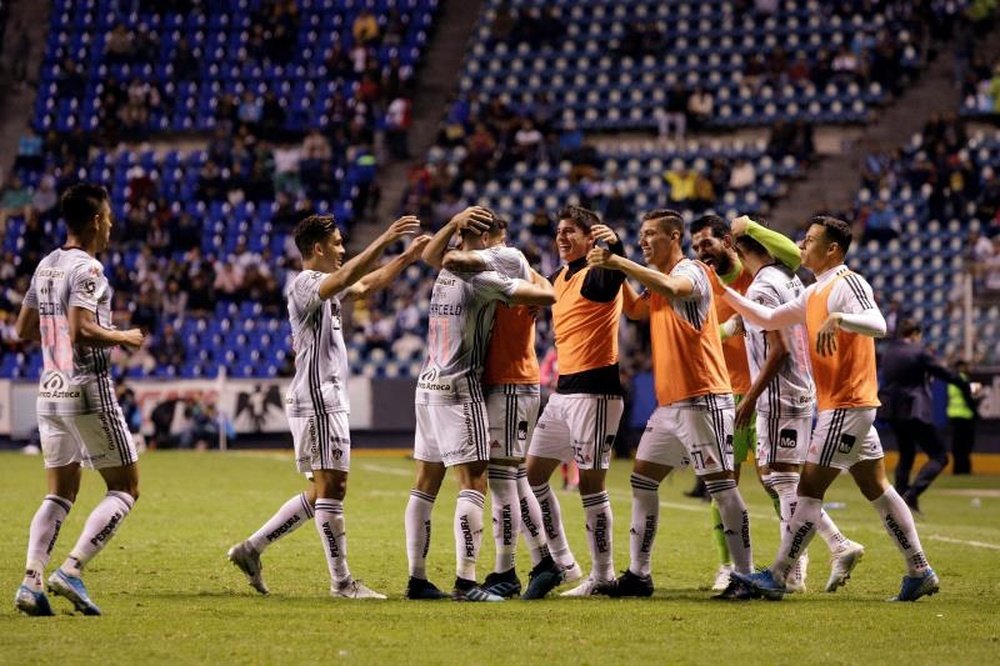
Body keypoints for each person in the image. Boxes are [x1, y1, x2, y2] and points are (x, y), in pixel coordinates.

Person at [723, 215, 939, 602]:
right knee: (877, 487)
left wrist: (841, 319)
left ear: (833, 249)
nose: (801, 247)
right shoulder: (813, 291)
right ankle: (919, 569)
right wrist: (722, 292)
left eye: (809, 240)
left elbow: (878, 324)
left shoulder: (847, 282)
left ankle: (778, 574)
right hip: (845, 406)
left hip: (846, 405)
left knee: (806, 490)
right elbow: (768, 317)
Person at [227, 213, 427, 600]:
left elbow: (366, 283)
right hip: (318, 399)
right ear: (317, 249)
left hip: (325, 398)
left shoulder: (325, 287)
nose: (341, 250)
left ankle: (251, 550)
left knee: (323, 492)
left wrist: (407, 257)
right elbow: (349, 276)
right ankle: (342, 583)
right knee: (333, 489)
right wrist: (385, 238)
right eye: (336, 244)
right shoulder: (304, 284)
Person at [584, 209, 754, 600]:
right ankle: (639, 575)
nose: (644, 241)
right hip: (671, 403)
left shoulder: (691, 270)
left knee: (722, 488)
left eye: (649, 235)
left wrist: (620, 261)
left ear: (673, 236)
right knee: (642, 479)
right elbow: (634, 309)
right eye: (640, 235)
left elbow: (675, 289)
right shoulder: (655, 281)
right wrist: (614, 260)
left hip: (704, 398)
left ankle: (745, 576)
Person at [404, 208, 556, 602]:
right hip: (461, 386)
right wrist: (526, 282)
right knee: (478, 483)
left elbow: (434, 256)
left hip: (427, 385)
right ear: (488, 240)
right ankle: (468, 583)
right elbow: (547, 294)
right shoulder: (485, 277)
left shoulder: (440, 275)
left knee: (425, 484)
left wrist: (453, 225)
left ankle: (417, 579)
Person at [14, 183, 147, 616]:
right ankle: (71, 569)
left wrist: (56, 336)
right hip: (87, 388)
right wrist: (122, 336)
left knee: (60, 493)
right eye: (107, 218)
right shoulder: (89, 269)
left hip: (49, 390)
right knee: (125, 487)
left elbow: (23, 329)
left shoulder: (46, 265)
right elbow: (81, 329)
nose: (110, 226)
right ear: (95, 221)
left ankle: (31, 581)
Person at [729, 227, 864, 594]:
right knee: (779, 479)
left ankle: (821, 554)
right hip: (798, 391)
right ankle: (802, 566)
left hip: (780, 395)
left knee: (785, 481)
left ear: (742, 252)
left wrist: (752, 396)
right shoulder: (786, 279)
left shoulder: (762, 286)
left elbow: (780, 346)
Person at [521, 205, 629, 599]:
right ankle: (564, 562)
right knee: (529, 479)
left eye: (571, 231)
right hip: (563, 391)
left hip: (596, 391)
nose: (562, 237)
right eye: (559, 231)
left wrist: (613, 243)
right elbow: (540, 292)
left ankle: (603, 575)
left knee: (591, 486)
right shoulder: (560, 277)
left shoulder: (598, 272)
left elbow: (611, 273)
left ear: (589, 237)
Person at [689, 214, 799, 591]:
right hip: (725, 394)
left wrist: (749, 225)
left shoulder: (760, 273)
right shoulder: (703, 282)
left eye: (707, 243)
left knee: (775, 483)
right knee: (722, 484)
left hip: (768, 392)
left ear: (728, 242)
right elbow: (718, 330)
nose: (701, 253)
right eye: (696, 246)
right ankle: (726, 565)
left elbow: (793, 255)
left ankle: (793, 562)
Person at [881, 319, 975, 514]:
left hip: (893, 411)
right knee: (939, 456)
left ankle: (899, 503)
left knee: (906, 454)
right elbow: (944, 373)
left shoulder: (888, 352)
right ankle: (913, 493)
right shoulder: (919, 351)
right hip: (915, 409)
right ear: (916, 333)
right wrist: (967, 385)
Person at [948, 360, 978, 475]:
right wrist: (975, 412)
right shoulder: (962, 378)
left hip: (954, 415)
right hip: (964, 415)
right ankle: (964, 469)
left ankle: (958, 469)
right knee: (965, 445)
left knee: (957, 445)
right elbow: (968, 396)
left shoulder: (951, 379)